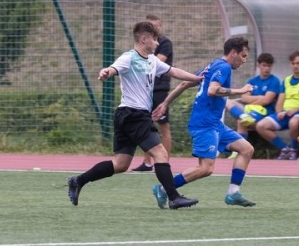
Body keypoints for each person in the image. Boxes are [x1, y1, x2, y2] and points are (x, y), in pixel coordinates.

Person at [67, 21, 204, 209]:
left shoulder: (152, 60)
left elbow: (173, 71)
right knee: (160, 153)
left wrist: (197, 78)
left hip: (126, 114)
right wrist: (106, 72)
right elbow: (113, 68)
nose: (157, 43)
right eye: (155, 39)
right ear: (144, 39)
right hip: (134, 114)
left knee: (121, 164)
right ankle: (173, 197)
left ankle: (78, 181)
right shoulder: (129, 57)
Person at [152, 36, 258, 208]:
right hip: (204, 124)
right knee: (206, 168)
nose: (244, 60)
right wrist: (241, 90)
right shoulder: (224, 67)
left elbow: (185, 83)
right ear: (233, 52)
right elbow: (212, 90)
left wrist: (165, 104)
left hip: (215, 124)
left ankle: (233, 193)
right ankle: (164, 189)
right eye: (243, 56)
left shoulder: (213, 65)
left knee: (246, 149)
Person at [133, 14, 174, 172]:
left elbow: (157, 63)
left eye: (156, 26)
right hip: (145, 90)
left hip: (159, 90)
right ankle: (147, 162)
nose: (153, 28)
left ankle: (163, 163)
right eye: (150, 26)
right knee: (145, 125)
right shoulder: (141, 49)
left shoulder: (164, 43)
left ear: (160, 27)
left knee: (163, 126)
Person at [255, 51, 299, 159]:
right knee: (261, 126)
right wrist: (279, 112)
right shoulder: (286, 80)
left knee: (293, 123)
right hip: (285, 114)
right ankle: (284, 148)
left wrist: (294, 110)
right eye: (293, 63)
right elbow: (280, 101)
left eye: (298, 63)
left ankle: (294, 150)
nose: (295, 66)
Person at [226, 52, 282, 135]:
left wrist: (251, 101)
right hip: (250, 109)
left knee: (241, 121)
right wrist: (260, 97)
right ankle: (244, 115)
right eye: (264, 65)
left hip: (265, 113)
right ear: (258, 65)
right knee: (227, 101)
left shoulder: (274, 81)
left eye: (269, 66)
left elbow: (266, 100)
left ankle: (242, 143)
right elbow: (244, 97)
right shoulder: (253, 81)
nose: (267, 68)